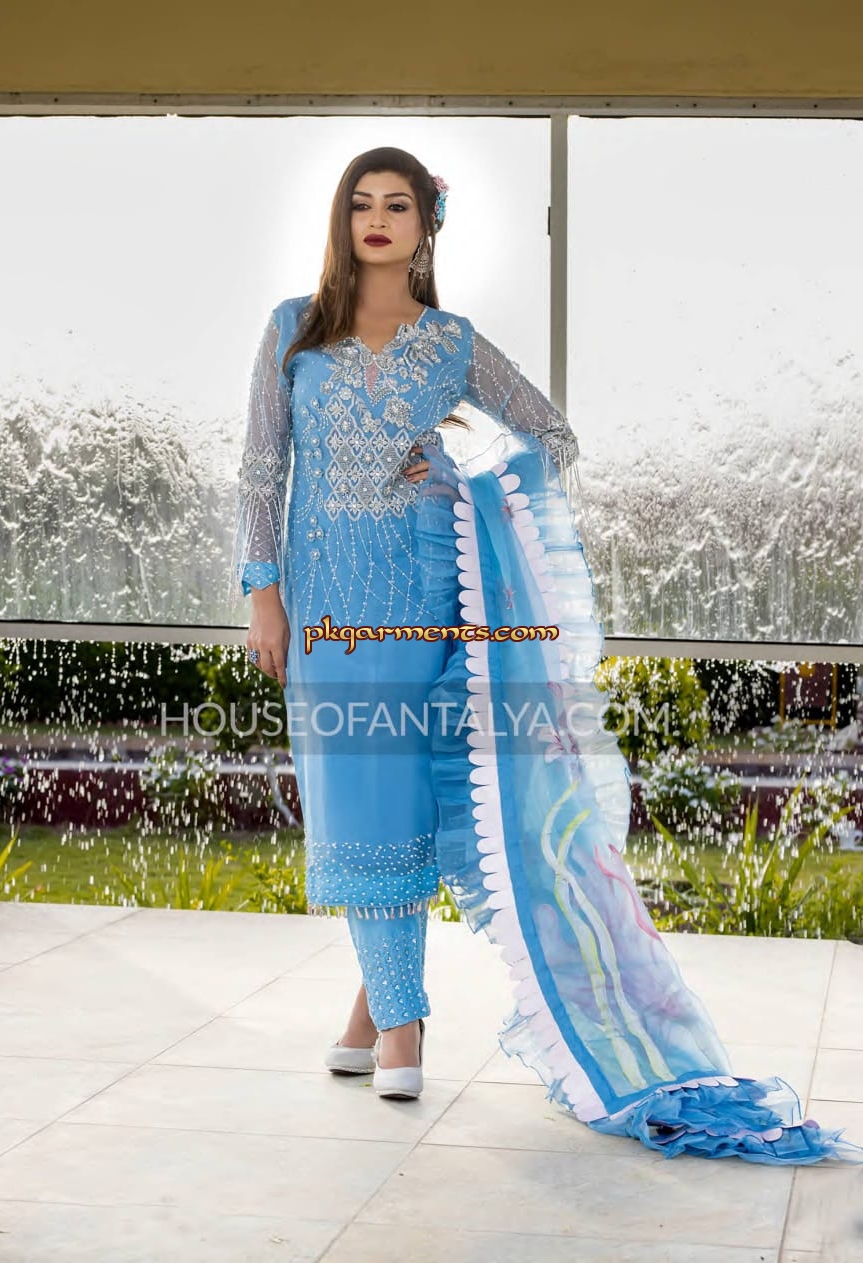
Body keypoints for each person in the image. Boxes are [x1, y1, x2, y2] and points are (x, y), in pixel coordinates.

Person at [232, 146, 863, 1162]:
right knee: (359, 804)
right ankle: (383, 1009)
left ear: (426, 226)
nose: (378, 220)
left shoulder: (451, 344)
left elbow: (551, 438)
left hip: (429, 610)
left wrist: (451, 458)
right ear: (342, 221)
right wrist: (262, 594)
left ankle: (399, 1025)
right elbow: (262, 470)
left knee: (406, 803)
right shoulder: (292, 331)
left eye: (399, 205)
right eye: (362, 204)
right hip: (325, 615)